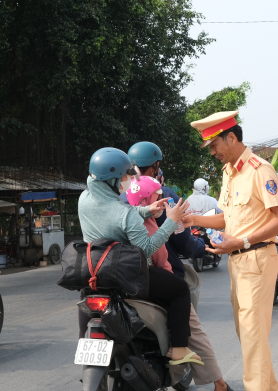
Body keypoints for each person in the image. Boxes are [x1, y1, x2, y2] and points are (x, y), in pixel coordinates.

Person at [184, 111, 278, 391]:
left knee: (252, 338)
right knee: (248, 337)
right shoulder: (230, 173)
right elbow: (228, 219)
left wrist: (242, 242)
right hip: (238, 261)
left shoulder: (260, 170)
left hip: (256, 258)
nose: (213, 152)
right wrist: (194, 220)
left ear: (231, 138)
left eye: (214, 145)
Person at [79, 148, 203, 366]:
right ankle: (179, 349)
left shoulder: (85, 199)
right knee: (180, 289)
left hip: (94, 273)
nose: (128, 181)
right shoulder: (125, 214)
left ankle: (85, 348)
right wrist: (171, 221)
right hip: (126, 276)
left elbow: (110, 212)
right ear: (112, 179)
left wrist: (146, 211)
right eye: (125, 176)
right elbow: (145, 249)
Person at [127, 176, 232, 391]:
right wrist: (199, 248)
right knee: (193, 325)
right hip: (153, 279)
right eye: (158, 198)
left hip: (115, 280)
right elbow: (174, 248)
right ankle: (218, 383)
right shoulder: (157, 216)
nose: (162, 203)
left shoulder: (119, 207)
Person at [123, 141, 205, 278]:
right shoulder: (166, 196)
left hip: (125, 271)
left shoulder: (119, 196)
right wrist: (201, 247)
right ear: (153, 167)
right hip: (163, 272)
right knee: (182, 293)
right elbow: (183, 241)